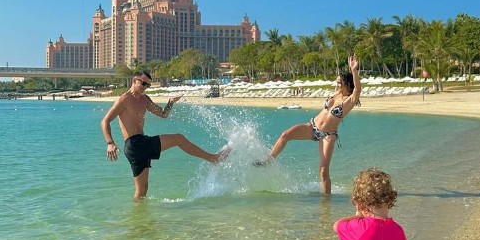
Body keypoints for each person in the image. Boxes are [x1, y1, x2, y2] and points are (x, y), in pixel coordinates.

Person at [101, 70, 230, 199]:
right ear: (134, 81)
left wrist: (171, 102)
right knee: (178, 139)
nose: (145, 87)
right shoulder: (124, 99)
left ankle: (139, 217)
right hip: (134, 145)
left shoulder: (144, 99)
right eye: (143, 83)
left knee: (142, 192)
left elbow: (163, 114)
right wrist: (110, 143)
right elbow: (105, 121)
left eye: (148, 85)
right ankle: (214, 159)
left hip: (141, 143)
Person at [257, 56, 361, 194]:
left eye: (339, 83)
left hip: (327, 136)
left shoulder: (349, 100)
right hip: (312, 126)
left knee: (323, 171)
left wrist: (353, 70)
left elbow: (357, 91)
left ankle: (326, 202)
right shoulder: (337, 93)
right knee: (285, 135)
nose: (337, 85)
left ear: (347, 84)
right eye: (336, 82)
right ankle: (268, 161)